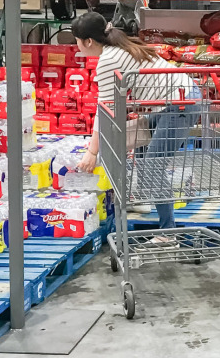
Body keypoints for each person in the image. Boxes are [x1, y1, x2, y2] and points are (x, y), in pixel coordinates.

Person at [71, 12, 197, 235]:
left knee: (153, 166)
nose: (77, 46)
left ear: (88, 41)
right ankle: (141, 199)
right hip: (175, 100)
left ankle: (168, 234)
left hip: (179, 103)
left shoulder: (108, 60)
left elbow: (105, 110)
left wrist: (92, 152)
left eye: (77, 41)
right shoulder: (118, 47)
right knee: (138, 147)